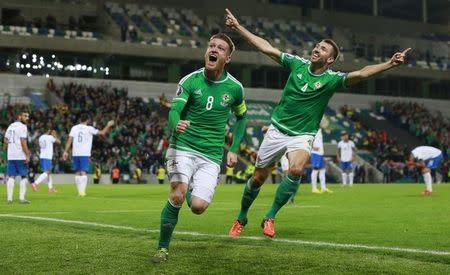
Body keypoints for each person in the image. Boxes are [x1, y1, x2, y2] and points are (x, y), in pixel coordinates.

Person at [225, 8, 411, 238]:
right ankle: (241, 217)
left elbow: (362, 74)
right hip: (277, 130)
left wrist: (390, 64)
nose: (316, 49)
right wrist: (238, 27)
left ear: (330, 59)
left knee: (295, 169)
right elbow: (266, 48)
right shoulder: (296, 64)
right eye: (317, 46)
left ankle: (270, 216)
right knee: (258, 178)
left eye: (323, 49)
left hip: (302, 135)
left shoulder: (331, 80)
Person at [151, 33, 247, 263]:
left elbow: (242, 118)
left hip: (212, 154)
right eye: (211, 45)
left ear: (228, 58)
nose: (213, 49)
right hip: (181, 146)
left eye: (220, 48)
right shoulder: (189, 80)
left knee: (198, 207)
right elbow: (174, 111)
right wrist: (177, 123)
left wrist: (233, 148)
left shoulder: (235, 88)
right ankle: (162, 248)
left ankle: (191, 195)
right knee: (177, 192)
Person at [63, 114, 114, 196]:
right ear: (87, 120)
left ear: (80, 120)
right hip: (84, 153)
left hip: (75, 153)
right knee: (83, 172)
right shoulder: (89, 128)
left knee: (77, 172)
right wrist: (108, 125)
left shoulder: (74, 128)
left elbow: (69, 141)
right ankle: (82, 192)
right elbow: (102, 133)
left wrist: (65, 152)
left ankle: (79, 192)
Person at [4, 110, 31, 204]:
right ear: (19, 117)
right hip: (20, 155)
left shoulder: (11, 126)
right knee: (24, 176)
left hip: (11, 155)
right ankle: (21, 198)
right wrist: (27, 154)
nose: (27, 118)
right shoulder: (23, 127)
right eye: (25, 116)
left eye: (28, 116)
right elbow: (23, 142)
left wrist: (12, 146)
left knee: (11, 176)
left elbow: (5, 140)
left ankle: (9, 199)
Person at [311, 122, 332, 194]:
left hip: (320, 153)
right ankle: (314, 188)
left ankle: (323, 187)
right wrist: (312, 147)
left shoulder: (319, 131)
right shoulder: (312, 130)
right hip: (315, 153)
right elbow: (307, 140)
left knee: (322, 170)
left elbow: (326, 128)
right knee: (315, 170)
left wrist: (326, 126)